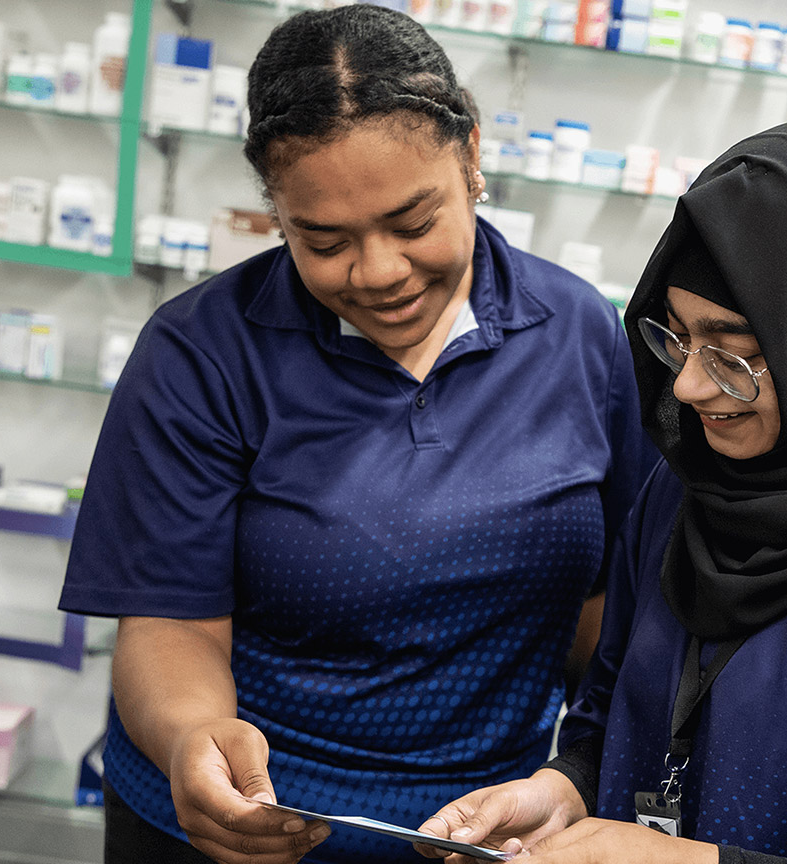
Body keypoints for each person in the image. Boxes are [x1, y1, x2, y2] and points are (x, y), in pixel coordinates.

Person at [57, 6, 654, 863]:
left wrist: (586, 775)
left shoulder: (581, 338)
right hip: (246, 829)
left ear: (473, 155)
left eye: (414, 224)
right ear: (275, 213)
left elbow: (607, 606)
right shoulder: (201, 352)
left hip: (479, 833)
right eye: (323, 241)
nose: (378, 273)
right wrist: (194, 740)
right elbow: (170, 621)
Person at [417, 120, 787, 864]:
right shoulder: (687, 489)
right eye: (675, 338)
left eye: (735, 356)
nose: (693, 386)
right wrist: (564, 792)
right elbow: (608, 716)